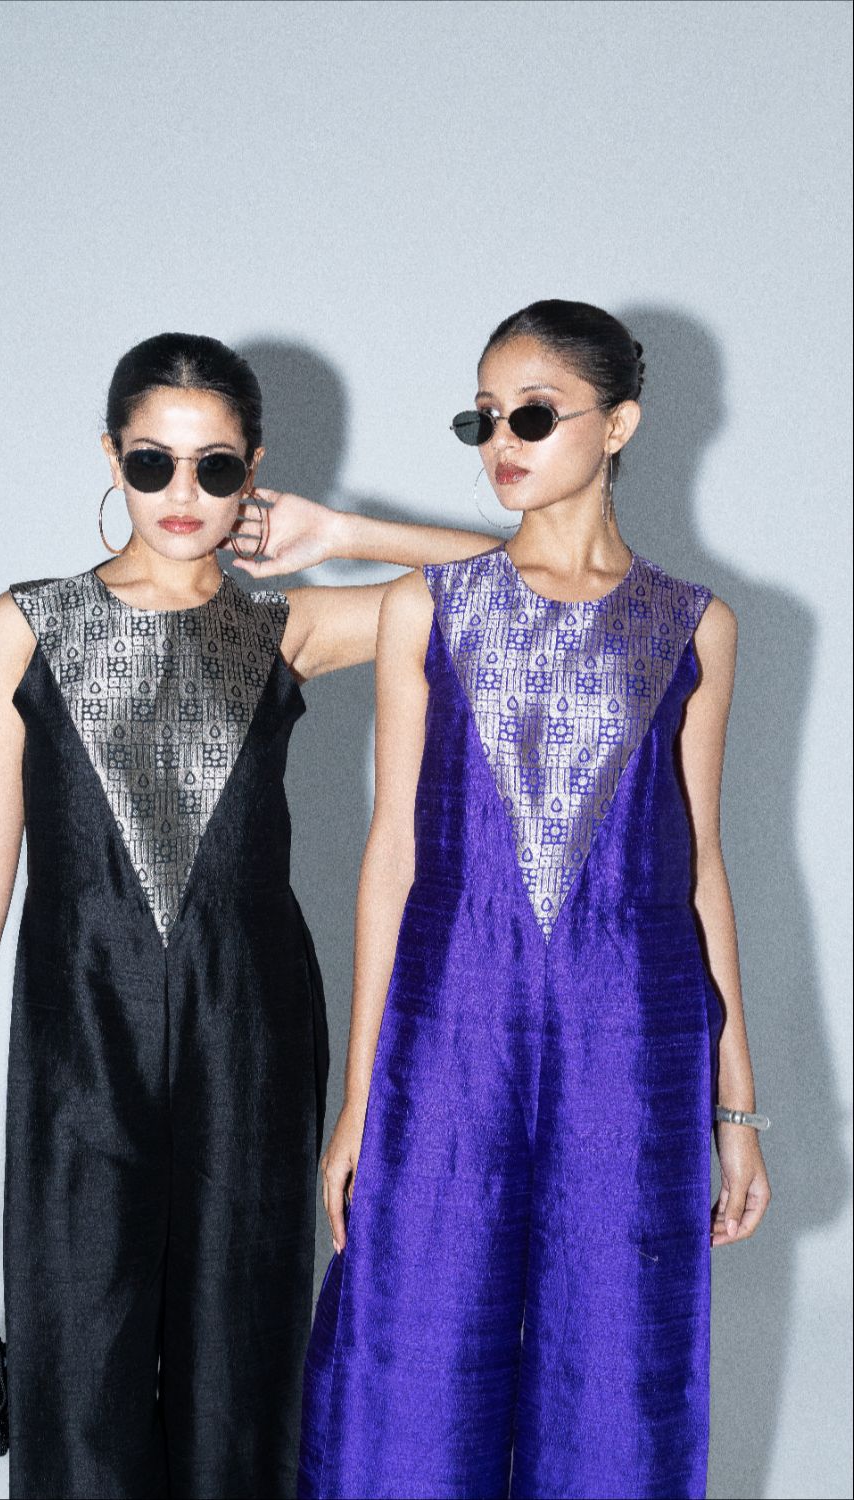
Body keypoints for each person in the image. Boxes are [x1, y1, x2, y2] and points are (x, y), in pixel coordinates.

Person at [0, 332, 493, 1500]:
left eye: (215, 467)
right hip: (79, 1036)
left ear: (253, 471)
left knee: (242, 1362)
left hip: (252, 1033)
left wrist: (343, 532)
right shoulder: (26, 625)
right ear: (110, 458)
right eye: (153, 463)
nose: (182, 494)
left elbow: (525, 578)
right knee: (77, 1367)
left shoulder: (289, 626)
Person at [300, 300, 771, 1500]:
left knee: (617, 1369)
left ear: (619, 424)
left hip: (636, 1041)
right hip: (448, 1025)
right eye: (482, 418)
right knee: (411, 1355)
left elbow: (701, 867)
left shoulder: (696, 625)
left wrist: (736, 1106)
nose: (499, 442)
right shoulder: (428, 607)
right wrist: (358, 1099)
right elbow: (391, 858)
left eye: (531, 415)